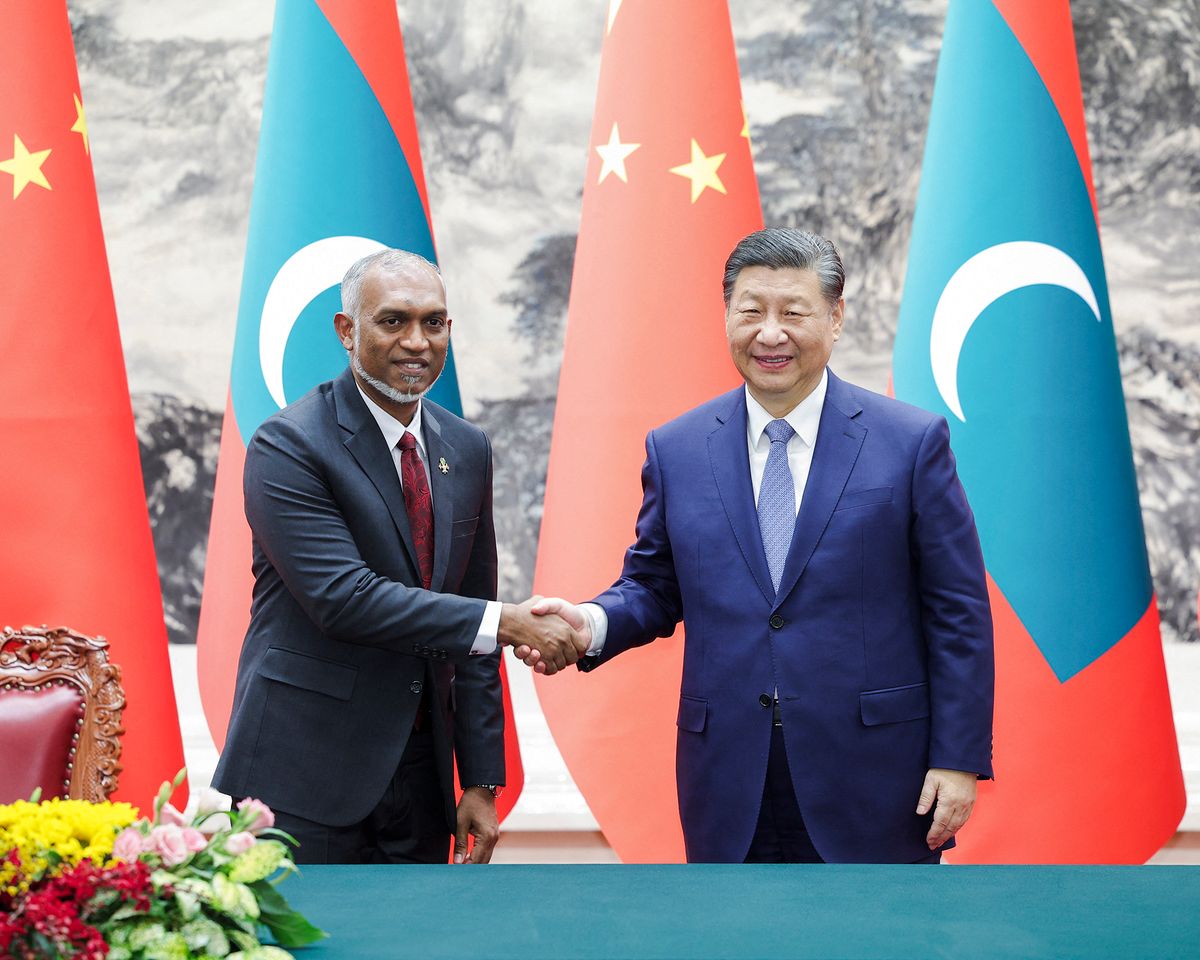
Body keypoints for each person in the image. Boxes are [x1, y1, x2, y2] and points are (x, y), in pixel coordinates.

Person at [526, 229, 994, 863]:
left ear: (836, 316)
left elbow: (958, 613)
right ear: (727, 317)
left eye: (793, 313)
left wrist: (958, 759)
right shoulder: (678, 448)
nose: (770, 334)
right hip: (728, 778)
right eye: (751, 312)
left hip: (879, 777)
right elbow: (655, 587)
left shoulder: (910, 444)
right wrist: (587, 624)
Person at [213, 249, 584, 865]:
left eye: (434, 323)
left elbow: (474, 616)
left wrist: (482, 780)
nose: (418, 342)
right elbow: (344, 600)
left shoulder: (466, 447)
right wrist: (507, 621)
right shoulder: (288, 444)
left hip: (421, 778)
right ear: (346, 331)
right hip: (301, 773)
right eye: (393, 321)